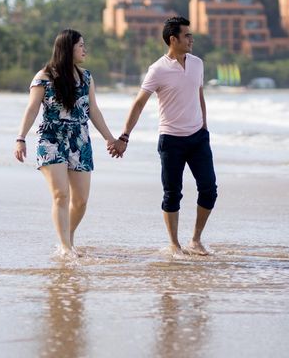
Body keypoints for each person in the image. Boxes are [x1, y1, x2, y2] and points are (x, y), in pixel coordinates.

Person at [109, 16, 218, 256]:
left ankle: (196, 240)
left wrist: (205, 127)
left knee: (209, 189)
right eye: (187, 35)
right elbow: (138, 103)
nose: (191, 39)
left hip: (198, 138)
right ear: (173, 39)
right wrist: (124, 136)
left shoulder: (198, 64)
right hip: (171, 141)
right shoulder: (157, 69)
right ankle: (174, 245)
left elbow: (200, 96)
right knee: (172, 193)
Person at [14, 29, 118, 257]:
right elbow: (32, 109)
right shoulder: (43, 77)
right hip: (51, 138)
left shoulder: (86, 77)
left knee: (80, 201)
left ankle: (67, 238)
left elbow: (93, 110)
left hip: (79, 140)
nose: (85, 49)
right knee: (61, 194)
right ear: (67, 48)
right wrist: (21, 137)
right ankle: (65, 247)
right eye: (81, 45)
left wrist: (110, 138)